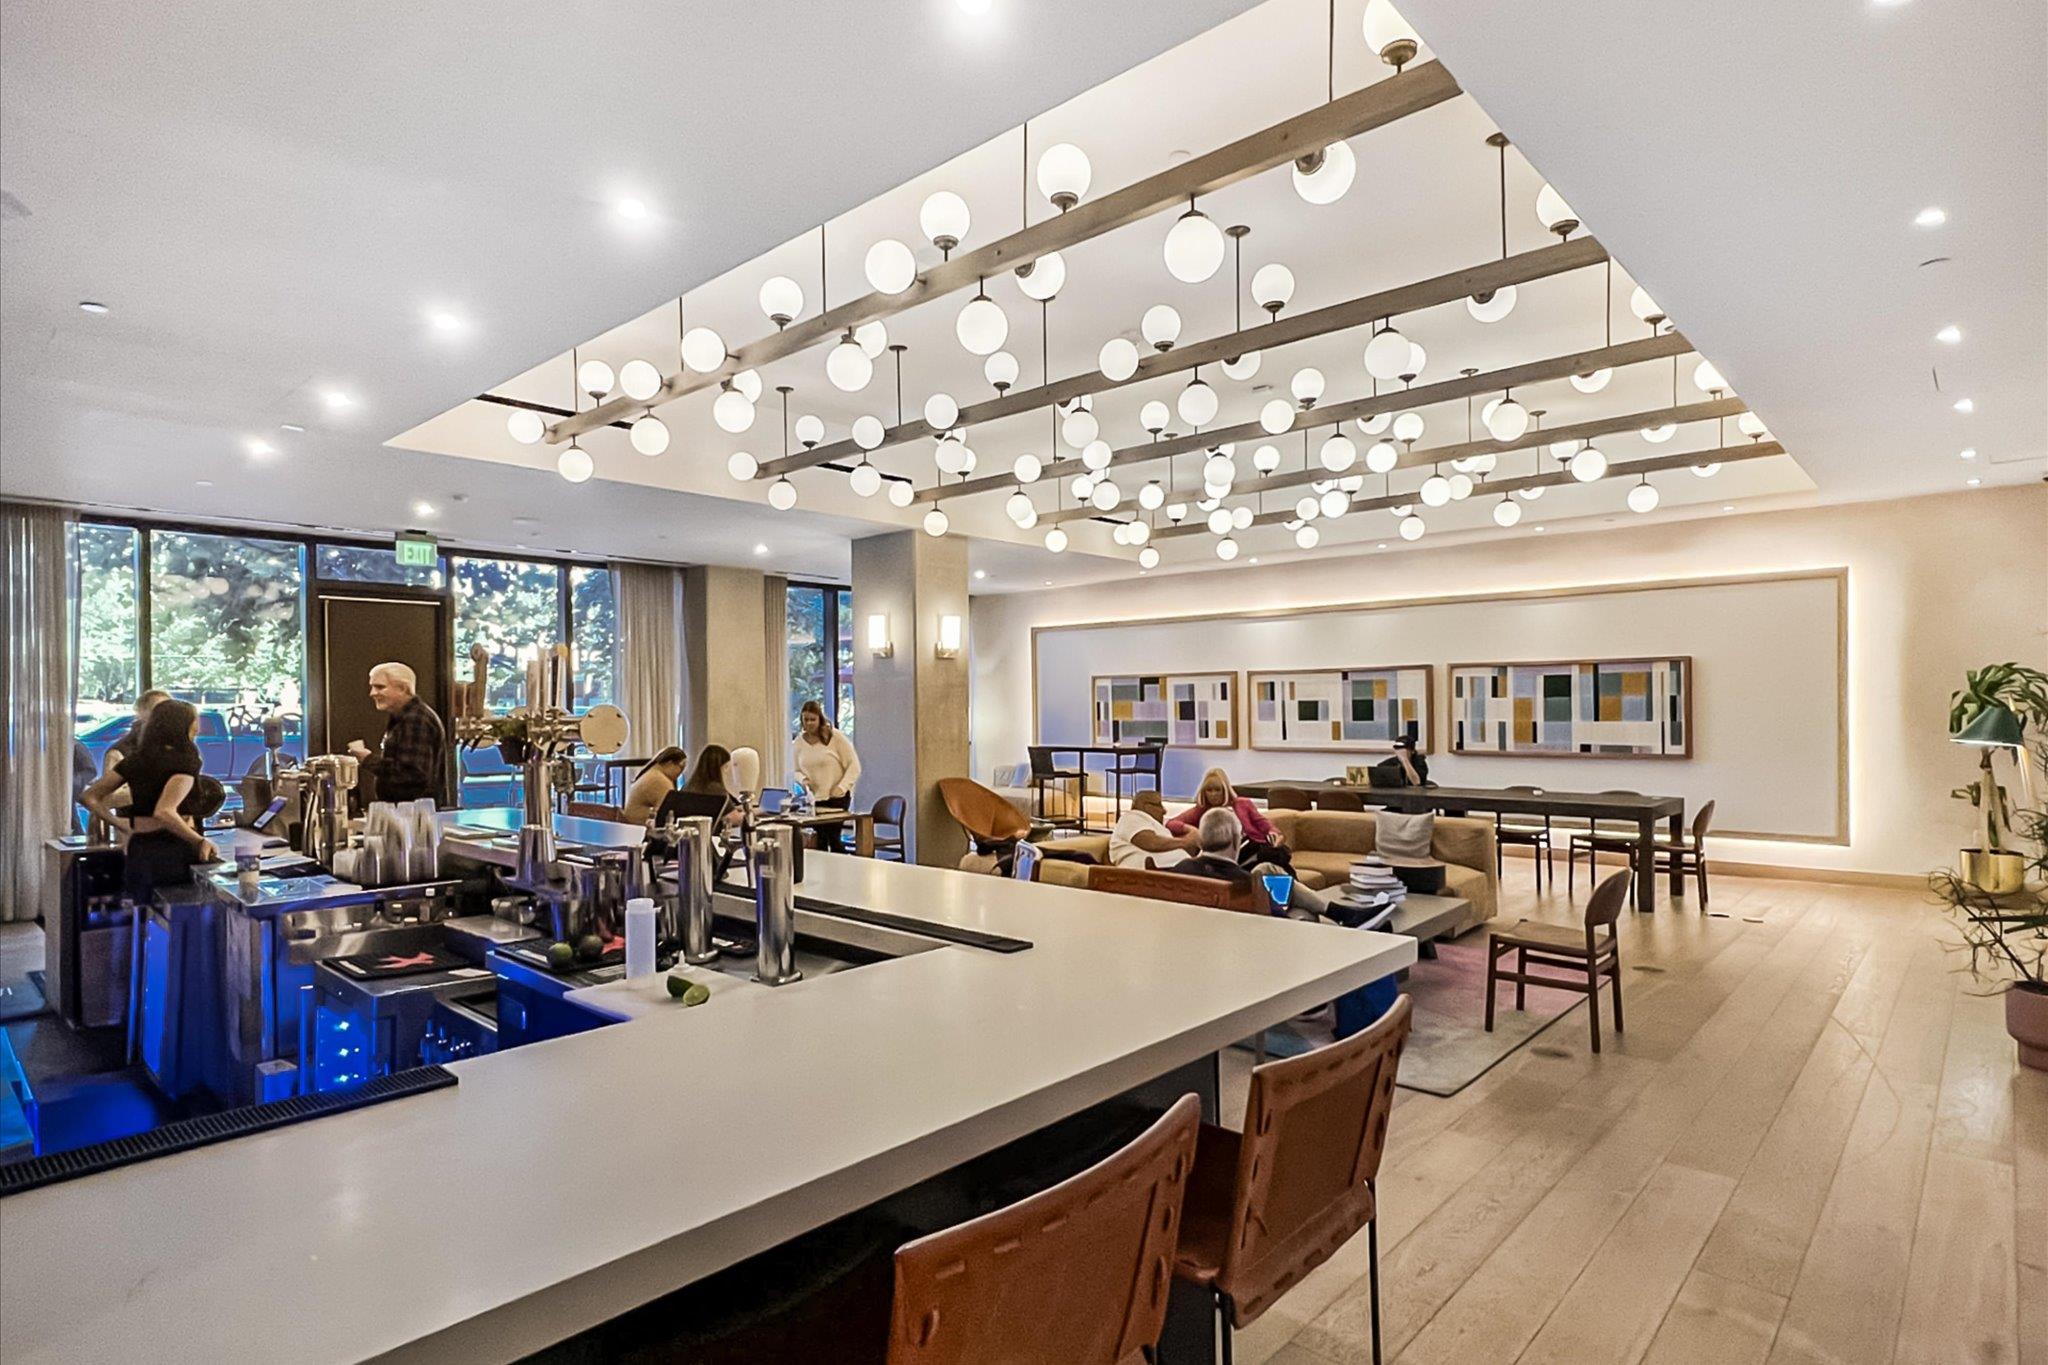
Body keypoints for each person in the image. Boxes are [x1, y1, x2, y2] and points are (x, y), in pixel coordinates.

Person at [79, 698, 220, 901]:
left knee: (145, 909)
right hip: (175, 848)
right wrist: (199, 840)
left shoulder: (136, 760)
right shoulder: (185, 761)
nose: (198, 726)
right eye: (195, 720)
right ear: (184, 725)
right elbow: (164, 811)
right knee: (178, 910)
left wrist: (119, 823)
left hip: (141, 847)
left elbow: (89, 796)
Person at [1177, 808, 1327, 920]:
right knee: (1305, 912)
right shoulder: (1248, 884)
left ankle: (1332, 909)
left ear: (1201, 840)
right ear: (1236, 841)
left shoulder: (1181, 869)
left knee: (1266, 869)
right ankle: (1332, 909)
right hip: (1246, 939)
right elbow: (1279, 918)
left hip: (1196, 935)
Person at [348, 662, 447, 805]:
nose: (372, 693)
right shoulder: (406, 718)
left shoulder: (416, 719)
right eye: (372, 687)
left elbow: (413, 775)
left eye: (380, 687)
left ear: (402, 688)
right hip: (408, 811)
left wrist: (369, 760)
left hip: (412, 812)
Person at [1168, 767, 1291, 870]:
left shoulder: (1243, 804)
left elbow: (1264, 824)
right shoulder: (1201, 810)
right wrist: (1191, 830)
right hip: (1228, 852)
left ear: (1225, 790)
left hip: (1252, 844)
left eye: (1217, 790)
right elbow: (1171, 823)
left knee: (1278, 855)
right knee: (1274, 857)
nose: (1213, 794)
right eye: (1209, 790)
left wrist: (1274, 833)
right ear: (1204, 792)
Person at [790, 700, 860, 849]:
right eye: (806, 720)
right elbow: (795, 770)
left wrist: (842, 787)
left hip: (837, 797)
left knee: (833, 838)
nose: (809, 723)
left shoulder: (835, 737)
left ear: (819, 719)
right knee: (820, 839)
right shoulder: (798, 743)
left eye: (813, 719)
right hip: (815, 798)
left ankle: (841, 862)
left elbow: (854, 766)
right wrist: (803, 780)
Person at [660, 743, 742, 829]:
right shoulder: (717, 790)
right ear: (720, 767)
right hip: (708, 834)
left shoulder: (687, 786)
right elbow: (734, 819)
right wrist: (746, 814)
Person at [1109, 789, 1197, 870]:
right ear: (1146, 806)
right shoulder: (1132, 817)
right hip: (1156, 870)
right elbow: (1150, 843)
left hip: (1175, 867)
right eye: (1159, 805)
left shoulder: (1152, 824)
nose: (1164, 811)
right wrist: (1185, 842)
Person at [624, 747, 687, 825]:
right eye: (681, 768)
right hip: (640, 827)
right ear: (669, 763)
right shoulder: (659, 780)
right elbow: (670, 813)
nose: (680, 773)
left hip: (633, 825)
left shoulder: (651, 773)